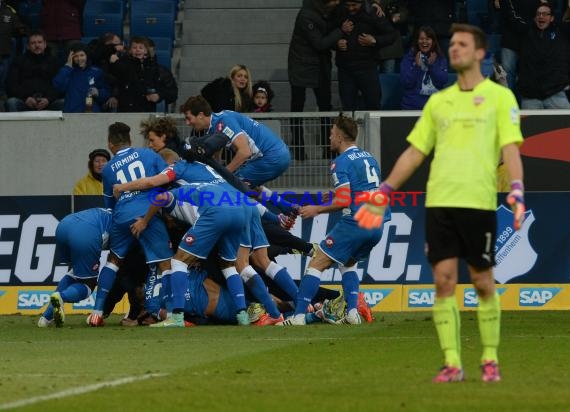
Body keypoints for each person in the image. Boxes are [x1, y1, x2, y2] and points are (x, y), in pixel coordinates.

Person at [355, 24, 525, 383]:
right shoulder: (439, 102)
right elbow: (415, 153)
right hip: (440, 204)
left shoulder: (499, 98)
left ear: (480, 53)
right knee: (444, 282)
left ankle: (490, 358)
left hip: (478, 205)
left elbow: (510, 148)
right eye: (453, 45)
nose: (455, 49)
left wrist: (517, 190)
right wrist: (384, 188)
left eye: (463, 44)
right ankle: (452, 362)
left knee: (482, 282)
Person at [112, 158, 252, 327]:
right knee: (228, 266)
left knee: (178, 262)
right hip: (239, 213)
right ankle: (242, 314)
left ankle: (176, 317)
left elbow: (161, 197)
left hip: (215, 215)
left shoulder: (176, 194)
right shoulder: (201, 186)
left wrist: (145, 221)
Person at [278, 114, 388, 326]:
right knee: (348, 263)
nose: (329, 137)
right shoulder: (369, 158)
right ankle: (353, 313)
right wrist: (335, 195)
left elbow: (345, 200)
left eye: (331, 133)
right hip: (378, 222)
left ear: (339, 136)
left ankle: (299, 316)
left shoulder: (341, 162)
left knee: (317, 262)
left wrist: (317, 209)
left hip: (357, 222)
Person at [86, 122, 173, 327]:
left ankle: (97, 313)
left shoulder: (107, 170)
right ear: (131, 140)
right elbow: (167, 181)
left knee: (114, 261)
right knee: (165, 263)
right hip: (147, 214)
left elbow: (109, 205)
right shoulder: (149, 154)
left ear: (110, 144)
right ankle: (170, 313)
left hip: (121, 215)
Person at [182, 95, 290, 189]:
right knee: (249, 188)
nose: (187, 123)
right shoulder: (216, 124)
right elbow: (217, 155)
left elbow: (244, 152)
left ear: (200, 115)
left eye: (188, 118)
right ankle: (290, 208)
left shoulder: (223, 122)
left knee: (231, 187)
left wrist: (223, 175)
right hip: (275, 154)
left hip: (272, 156)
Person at [38, 208, 112, 328]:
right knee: (89, 284)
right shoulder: (125, 225)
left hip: (64, 225)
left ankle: (46, 317)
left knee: (75, 271)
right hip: (86, 234)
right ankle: (62, 297)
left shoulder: (112, 211)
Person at [288, 0, 343, 160]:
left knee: (325, 107)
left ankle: (329, 149)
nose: (337, 3)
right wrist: (340, 31)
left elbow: (327, 38)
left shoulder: (328, 12)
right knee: (297, 108)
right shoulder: (306, 15)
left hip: (320, 67)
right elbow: (319, 43)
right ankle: (298, 149)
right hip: (301, 66)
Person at [503, 1, 570, 109]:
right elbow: (510, 17)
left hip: (556, 94)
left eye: (545, 14)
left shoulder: (562, 33)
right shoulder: (525, 33)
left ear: (552, 18)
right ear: (534, 18)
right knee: (527, 126)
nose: (541, 16)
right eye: (538, 14)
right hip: (530, 97)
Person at [334, 0, 397, 110]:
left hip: (367, 68)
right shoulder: (338, 12)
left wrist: (375, 40)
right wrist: (337, 42)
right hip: (346, 69)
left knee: (373, 106)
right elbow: (327, 34)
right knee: (348, 108)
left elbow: (391, 35)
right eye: (348, 5)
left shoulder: (373, 12)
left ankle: (373, 128)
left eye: (354, 5)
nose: (351, 8)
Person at [5, 30, 64, 112]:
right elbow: (11, 84)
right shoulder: (18, 61)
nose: (37, 45)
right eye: (33, 43)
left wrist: (48, 99)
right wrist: (25, 98)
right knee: (12, 102)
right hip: (25, 102)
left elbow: (60, 85)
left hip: (49, 103)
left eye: (39, 42)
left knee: (63, 103)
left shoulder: (54, 62)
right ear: (28, 46)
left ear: (45, 44)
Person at [108, 36, 167, 113]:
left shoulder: (153, 66)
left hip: (147, 106)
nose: (137, 50)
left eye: (141, 48)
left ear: (146, 51)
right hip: (127, 106)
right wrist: (113, 63)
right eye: (134, 47)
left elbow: (161, 86)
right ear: (130, 51)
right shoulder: (123, 63)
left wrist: (159, 96)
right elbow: (115, 76)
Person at [52, 42, 111, 113]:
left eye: (82, 55)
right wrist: (67, 66)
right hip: (72, 113)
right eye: (76, 56)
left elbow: (107, 92)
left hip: (91, 113)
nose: (79, 58)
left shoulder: (96, 71)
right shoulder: (67, 72)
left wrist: (99, 93)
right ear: (71, 57)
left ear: (87, 55)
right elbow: (57, 85)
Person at [400, 25, 448, 110]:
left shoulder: (439, 58)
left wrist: (432, 66)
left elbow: (442, 81)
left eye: (428, 39)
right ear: (417, 41)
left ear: (433, 41)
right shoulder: (409, 58)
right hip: (412, 107)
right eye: (421, 39)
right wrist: (417, 67)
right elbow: (406, 83)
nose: (424, 42)